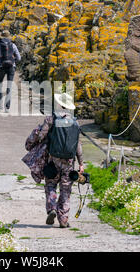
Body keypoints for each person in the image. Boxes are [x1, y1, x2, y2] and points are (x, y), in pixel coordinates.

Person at [22, 93, 84, 228]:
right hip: (68, 161)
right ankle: (63, 219)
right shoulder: (75, 122)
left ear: (58, 104)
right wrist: (81, 163)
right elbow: (78, 144)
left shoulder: (52, 119)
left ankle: (51, 209)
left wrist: (36, 142)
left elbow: (41, 135)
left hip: (53, 159)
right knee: (66, 189)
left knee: (51, 185)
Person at [0, 30, 21, 112]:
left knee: (0, 85)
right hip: (11, 67)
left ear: (2, 36)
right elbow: (19, 58)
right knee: (9, 86)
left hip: (1, 67)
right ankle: (7, 107)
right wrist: (14, 60)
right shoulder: (13, 45)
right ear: (9, 36)